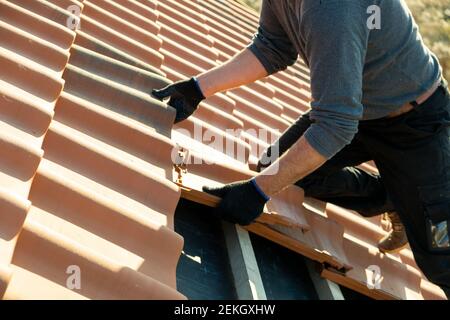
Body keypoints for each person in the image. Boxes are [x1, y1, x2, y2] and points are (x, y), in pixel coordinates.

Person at [153, 0, 449, 298]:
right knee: (281, 166)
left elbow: (335, 124)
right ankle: (394, 198)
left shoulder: (331, 8)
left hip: (416, 126)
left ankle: (410, 198)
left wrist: (257, 192)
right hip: (355, 108)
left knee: (439, 261)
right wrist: (197, 89)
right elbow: (272, 48)